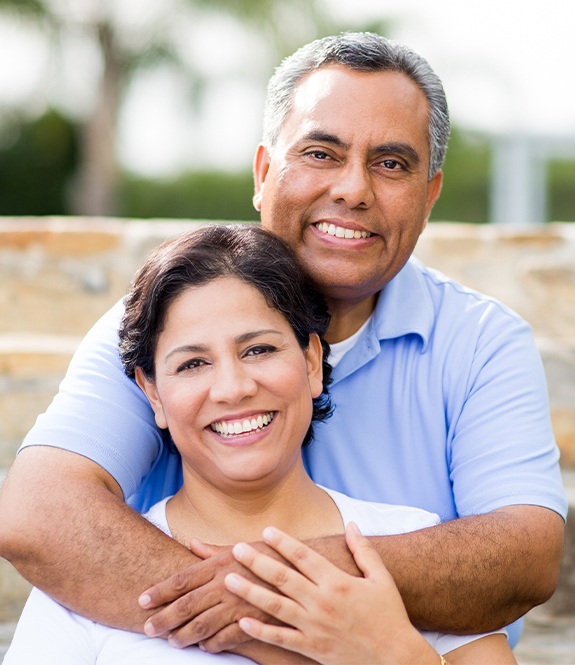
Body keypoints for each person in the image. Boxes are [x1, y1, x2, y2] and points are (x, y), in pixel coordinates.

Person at [0, 31, 566, 653]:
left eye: (391, 163)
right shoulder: (162, 322)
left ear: (429, 196)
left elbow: (524, 554)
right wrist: (289, 635)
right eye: (321, 153)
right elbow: (39, 513)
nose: (353, 189)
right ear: (265, 172)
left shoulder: (481, 342)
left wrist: (270, 591)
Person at [5, 224, 516, 665]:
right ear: (152, 394)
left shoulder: (410, 542)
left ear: (312, 362)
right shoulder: (85, 579)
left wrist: (395, 654)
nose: (233, 388)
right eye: (193, 363)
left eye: (259, 349)